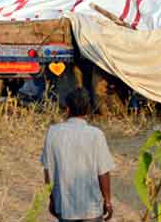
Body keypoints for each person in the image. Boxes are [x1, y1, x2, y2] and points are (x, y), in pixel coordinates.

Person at [41, 89, 114, 222]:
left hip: (64, 206)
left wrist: (52, 198)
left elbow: (47, 171)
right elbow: (103, 172)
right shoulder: (96, 135)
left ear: (67, 109)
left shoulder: (53, 133)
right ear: (87, 110)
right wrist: (107, 201)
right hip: (91, 209)